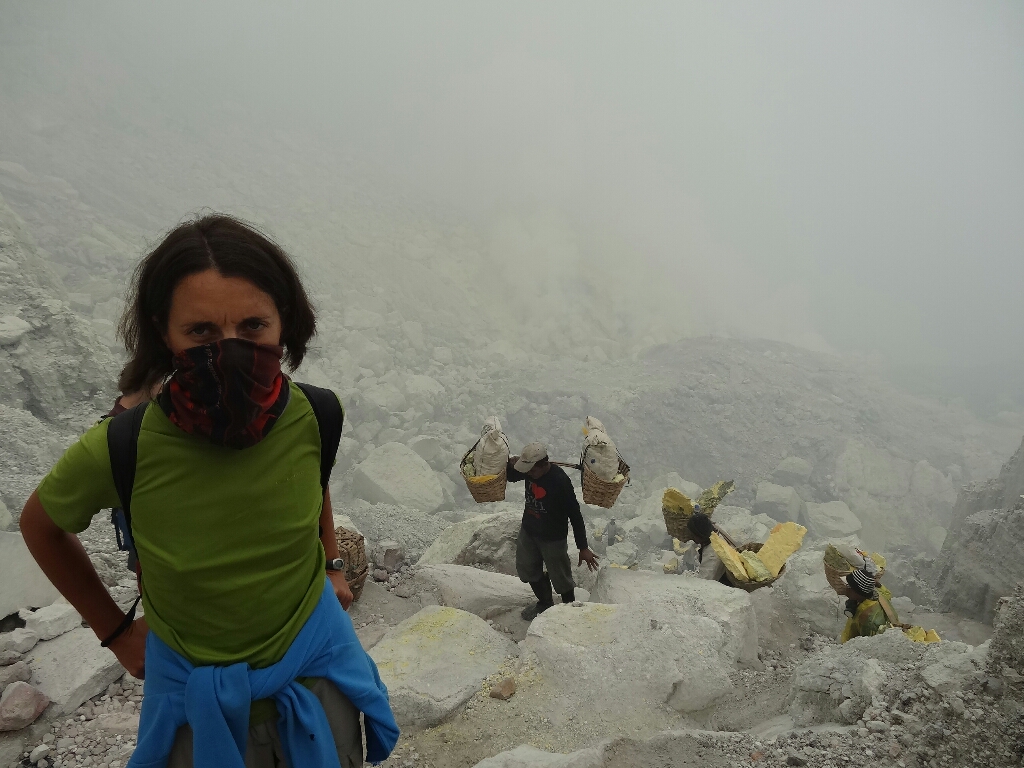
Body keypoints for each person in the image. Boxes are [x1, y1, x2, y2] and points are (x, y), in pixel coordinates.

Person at [20, 214, 398, 768]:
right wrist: (116, 632)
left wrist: (331, 564)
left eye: (253, 326)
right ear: (164, 333)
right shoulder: (123, 445)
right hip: (197, 699)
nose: (230, 350)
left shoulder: (316, 413)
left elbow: (312, 484)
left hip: (318, 673)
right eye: (200, 332)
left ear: (283, 321)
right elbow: (41, 526)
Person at [506, 442, 600, 621]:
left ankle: (568, 610)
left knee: (561, 576)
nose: (529, 474)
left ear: (543, 465)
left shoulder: (560, 481)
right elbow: (511, 477)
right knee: (527, 568)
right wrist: (507, 463)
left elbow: (575, 514)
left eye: (532, 471)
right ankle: (545, 602)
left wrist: (583, 547)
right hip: (529, 530)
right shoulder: (530, 469)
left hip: (553, 537)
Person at [840, 564, 897, 643]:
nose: (845, 587)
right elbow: (887, 593)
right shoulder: (877, 595)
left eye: (847, 585)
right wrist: (877, 584)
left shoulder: (867, 620)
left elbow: (867, 645)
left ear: (856, 592)